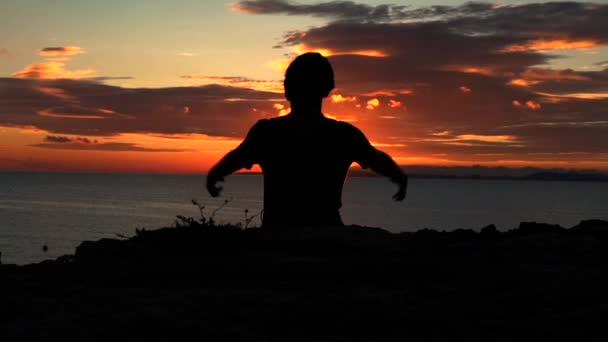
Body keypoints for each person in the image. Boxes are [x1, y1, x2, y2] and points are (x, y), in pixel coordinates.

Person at [206, 52, 407, 227]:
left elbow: (236, 158)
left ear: (287, 89)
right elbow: (375, 158)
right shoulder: (344, 135)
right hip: (327, 233)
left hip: (278, 235)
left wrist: (215, 174)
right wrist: (398, 175)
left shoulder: (267, 132)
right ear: (328, 88)